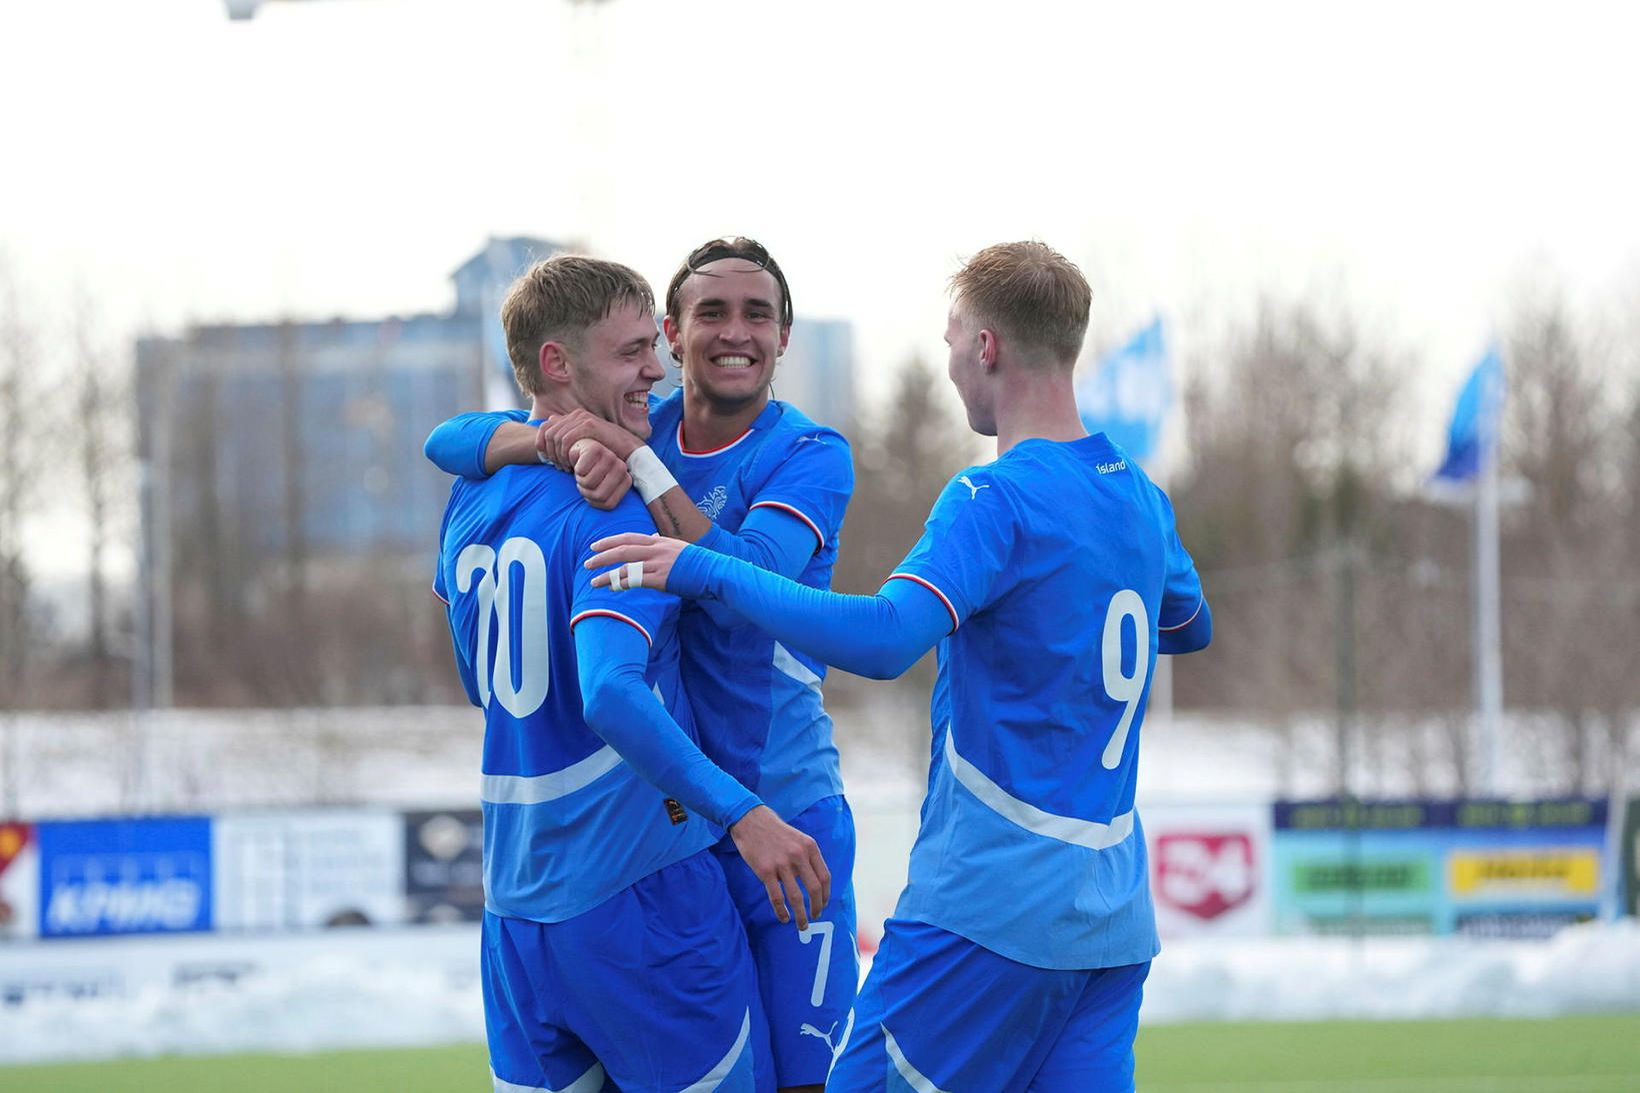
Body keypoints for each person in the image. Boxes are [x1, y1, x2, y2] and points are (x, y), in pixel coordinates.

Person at [586, 241, 1213, 1092]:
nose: (950, 362)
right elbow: (1188, 623)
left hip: (988, 904)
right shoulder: (1140, 496)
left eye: (953, 339)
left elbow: (885, 639)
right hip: (1111, 919)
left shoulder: (992, 498)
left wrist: (698, 566)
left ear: (985, 345)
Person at [426, 238, 857, 1093]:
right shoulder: (619, 445)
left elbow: (750, 575)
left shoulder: (804, 452)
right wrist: (553, 442)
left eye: (758, 314)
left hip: (782, 808)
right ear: (675, 329)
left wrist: (618, 460)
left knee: (813, 1083)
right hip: (668, 843)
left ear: (784, 336)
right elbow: (453, 435)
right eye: (710, 313)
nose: (735, 332)